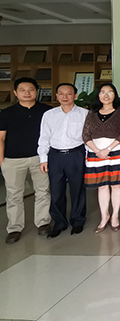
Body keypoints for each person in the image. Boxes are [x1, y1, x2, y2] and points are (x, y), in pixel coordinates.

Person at [0, 77, 51, 244]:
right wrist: (1, 161)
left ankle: (43, 222)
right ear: (15, 93)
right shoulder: (6, 113)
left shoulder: (47, 111)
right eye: (22, 90)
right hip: (13, 160)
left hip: (40, 158)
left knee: (43, 191)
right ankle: (14, 227)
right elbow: (1, 138)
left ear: (37, 91)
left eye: (31, 90)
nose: (27, 93)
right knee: (14, 194)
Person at [38, 83, 88, 238]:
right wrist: (43, 159)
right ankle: (59, 223)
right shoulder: (49, 115)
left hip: (76, 154)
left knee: (77, 189)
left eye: (69, 93)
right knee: (56, 190)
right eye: (61, 93)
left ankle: (77, 220)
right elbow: (44, 137)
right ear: (56, 95)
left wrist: (88, 158)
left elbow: (88, 138)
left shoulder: (84, 114)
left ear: (75, 95)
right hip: (55, 156)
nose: (65, 97)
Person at [82, 84, 120, 234]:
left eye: (110, 92)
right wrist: (98, 151)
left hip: (116, 151)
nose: (106, 95)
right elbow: (85, 135)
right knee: (101, 186)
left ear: (115, 95)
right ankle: (104, 216)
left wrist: (108, 149)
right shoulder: (92, 113)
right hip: (96, 153)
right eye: (103, 92)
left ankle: (115, 216)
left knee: (116, 185)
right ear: (98, 95)